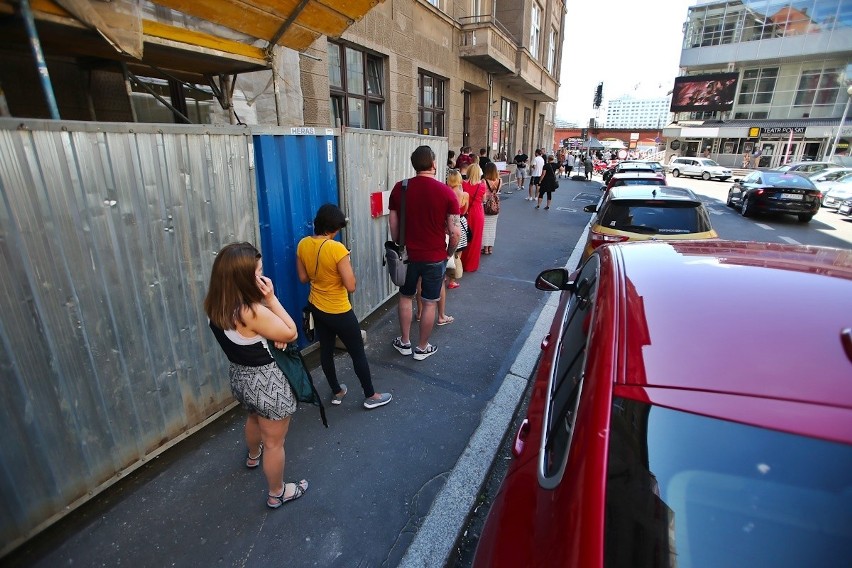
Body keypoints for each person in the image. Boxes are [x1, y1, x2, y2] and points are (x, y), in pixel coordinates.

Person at [204, 242, 307, 510]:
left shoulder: (216, 305)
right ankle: (277, 492)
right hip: (268, 383)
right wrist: (271, 299)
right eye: (258, 271)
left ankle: (252, 455)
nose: (263, 276)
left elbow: (256, 337)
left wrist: (272, 336)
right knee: (274, 442)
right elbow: (292, 332)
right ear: (242, 277)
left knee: (253, 417)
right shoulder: (250, 311)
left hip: (240, 377)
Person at [296, 204, 392, 410]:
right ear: (333, 228)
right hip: (339, 309)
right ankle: (371, 395)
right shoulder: (337, 249)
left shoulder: (303, 244)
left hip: (316, 306)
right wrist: (345, 264)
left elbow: (303, 278)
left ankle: (337, 391)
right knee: (357, 351)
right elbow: (351, 286)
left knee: (326, 350)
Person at [389, 145, 460, 361]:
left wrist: (401, 244)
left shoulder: (399, 188)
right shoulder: (446, 192)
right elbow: (455, 232)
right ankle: (422, 347)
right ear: (433, 163)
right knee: (429, 302)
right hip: (435, 256)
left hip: (408, 256)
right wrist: (448, 253)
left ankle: (404, 341)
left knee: (405, 297)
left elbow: (393, 226)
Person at [461, 163, 486, 272]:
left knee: (463, 238)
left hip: (466, 213)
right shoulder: (482, 185)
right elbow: (483, 200)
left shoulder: (463, 184)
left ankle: (461, 263)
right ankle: (471, 265)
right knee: (475, 239)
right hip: (478, 213)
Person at [446, 169, 468, 290]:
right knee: (457, 251)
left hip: (446, 222)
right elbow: (464, 210)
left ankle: (444, 275)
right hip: (458, 221)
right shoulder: (462, 193)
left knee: (446, 248)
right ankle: (452, 280)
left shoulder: (445, 191)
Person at [481, 162, 502, 255]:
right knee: (493, 228)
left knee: (485, 228)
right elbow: (497, 192)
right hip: (495, 206)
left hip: (487, 206)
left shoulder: (484, 181)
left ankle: (485, 248)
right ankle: (490, 248)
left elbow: (484, 196)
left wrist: (484, 203)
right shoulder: (500, 180)